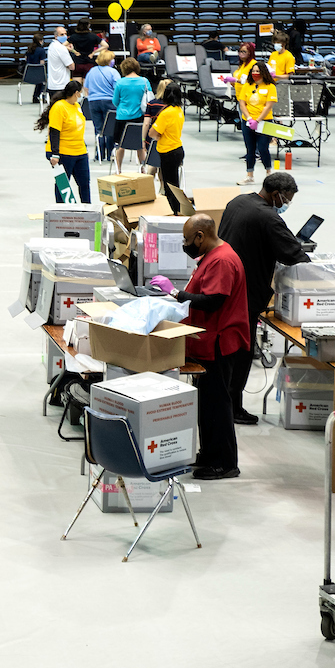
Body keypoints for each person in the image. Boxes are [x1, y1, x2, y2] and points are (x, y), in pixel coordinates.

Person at [216, 173, 308, 425]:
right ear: (277, 193)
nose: (287, 203)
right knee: (242, 352)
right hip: (245, 293)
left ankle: (228, 403)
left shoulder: (238, 202)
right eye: (287, 198)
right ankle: (233, 407)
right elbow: (294, 254)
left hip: (224, 285)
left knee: (229, 351)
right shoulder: (269, 218)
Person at [162, 215, 248, 480]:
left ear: (200, 236)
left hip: (220, 343)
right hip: (207, 341)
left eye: (188, 241)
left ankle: (225, 463)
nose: (187, 246)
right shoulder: (212, 256)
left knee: (218, 405)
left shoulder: (222, 259)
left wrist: (177, 295)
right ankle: (210, 454)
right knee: (207, 404)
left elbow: (213, 301)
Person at [37, 81, 90, 204]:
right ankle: (62, 210)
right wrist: (55, 154)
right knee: (63, 185)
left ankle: (87, 210)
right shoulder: (59, 107)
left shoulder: (77, 106)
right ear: (76, 93)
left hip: (80, 150)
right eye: (80, 92)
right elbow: (54, 132)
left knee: (84, 183)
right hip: (63, 152)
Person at [237, 61, 277, 186]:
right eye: (253, 71)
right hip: (248, 122)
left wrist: (258, 120)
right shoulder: (247, 86)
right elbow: (242, 103)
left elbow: (268, 106)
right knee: (250, 149)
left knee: (263, 148)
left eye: (258, 71)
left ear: (263, 72)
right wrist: (249, 118)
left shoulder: (270, 87)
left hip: (264, 121)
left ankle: (269, 173)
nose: (255, 73)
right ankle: (249, 176)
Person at [148, 82, 185, 210]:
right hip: (177, 148)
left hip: (168, 151)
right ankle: (177, 208)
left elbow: (152, 132)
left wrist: (158, 135)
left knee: (169, 185)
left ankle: (174, 210)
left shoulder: (166, 113)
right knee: (174, 183)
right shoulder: (179, 110)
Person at [111, 57, 151, 172]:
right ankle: (143, 168)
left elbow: (115, 101)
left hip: (121, 117)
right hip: (139, 117)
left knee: (120, 145)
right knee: (140, 144)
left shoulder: (120, 82)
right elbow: (149, 98)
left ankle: (118, 169)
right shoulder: (144, 81)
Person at [83, 50, 120, 160]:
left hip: (94, 102)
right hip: (110, 101)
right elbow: (118, 88)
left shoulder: (92, 71)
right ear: (109, 60)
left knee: (98, 128)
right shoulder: (113, 72)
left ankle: (99, 154)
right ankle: (110, 154)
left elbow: (86, 88)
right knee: (110, 128)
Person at [47, 26, 73, 94]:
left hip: (52, 84)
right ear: (56, 36)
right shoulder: (61, 48)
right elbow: (72, 66)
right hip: (61, 85)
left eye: (65, 34)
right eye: (62, 34)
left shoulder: (51, 45)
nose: (64, 36)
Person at [25, 34, 47, 103]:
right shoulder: (41, 50)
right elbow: (42, 63)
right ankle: (41, 96)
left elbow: (26, 59)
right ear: (40, 41)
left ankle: (35, 96)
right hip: (38, 74)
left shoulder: (29, 49)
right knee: (43, 79)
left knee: (39, 80)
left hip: (28, 74)